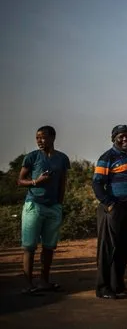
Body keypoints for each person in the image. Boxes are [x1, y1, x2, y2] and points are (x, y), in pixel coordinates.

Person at [17, 126, 70, 295]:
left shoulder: (62, 158)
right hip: (34, 205)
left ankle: (44, 282)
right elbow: (20, 180)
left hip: (53, 207)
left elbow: (63, 183)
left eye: (43, 137)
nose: (40, 140)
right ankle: (28, 284)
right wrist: (36, 182)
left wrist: (59, 205)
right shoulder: (32, 157)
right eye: (37, 137)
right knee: (29, 247)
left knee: (48, 247)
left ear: (53, 138)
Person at [93, 124, 127, 299]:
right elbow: (97, 183)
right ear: (114, 138)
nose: (125, 138)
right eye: (121, 136)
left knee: (123, 248)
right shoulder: (107, 157)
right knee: (107, 249)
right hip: (112, 208)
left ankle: (118, 285)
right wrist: (109, 204)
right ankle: (103, 287)